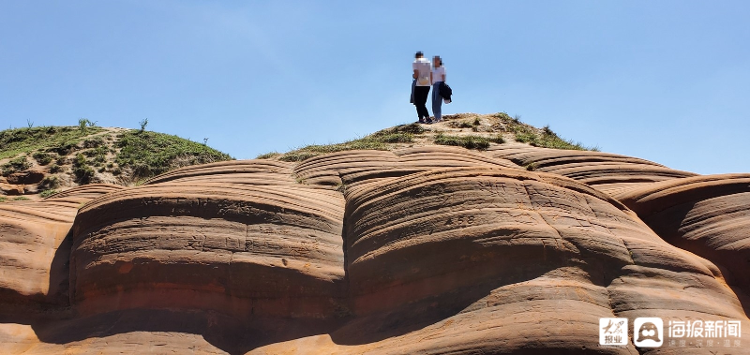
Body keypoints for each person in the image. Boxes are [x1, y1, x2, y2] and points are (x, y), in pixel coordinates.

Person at [412, 51, 432, 123]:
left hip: (419, 84)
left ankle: (421, 119)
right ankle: (428, 118)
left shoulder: (415, 62)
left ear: (416, 56)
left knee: (418, 102)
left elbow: (416, 74)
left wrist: (414, 76)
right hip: (427, 84)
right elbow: (431, 73)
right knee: (423, 103)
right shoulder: (428, 62)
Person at [430, 55, 446, 123]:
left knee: (438, 102)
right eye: (434, 60)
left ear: (439, 61)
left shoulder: (442, 68)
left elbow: (443, 78)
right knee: (433, 102)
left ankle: (438, 117)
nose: (435, 61)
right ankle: (436, 117)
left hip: (439, 85)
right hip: (434, 85)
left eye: (436, 60)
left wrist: (442, 86)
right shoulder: (433, 69)